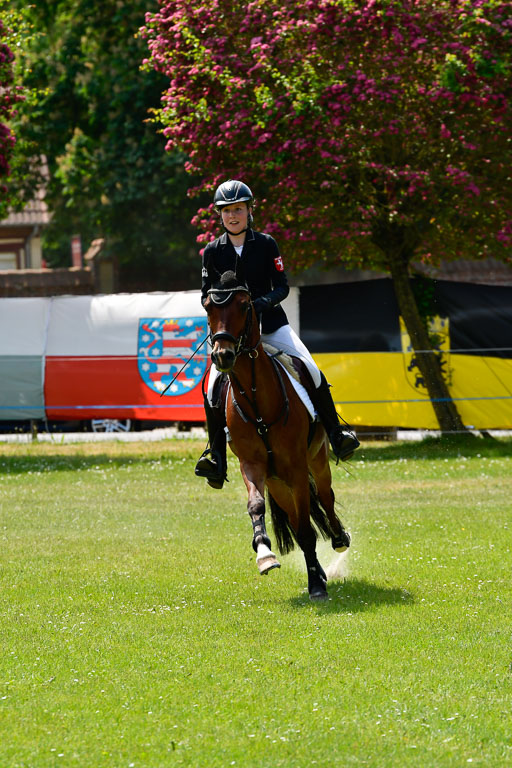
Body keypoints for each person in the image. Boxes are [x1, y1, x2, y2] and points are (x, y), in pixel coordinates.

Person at [195, 179, 360, 489]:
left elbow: (282, 286)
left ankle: (337, 433)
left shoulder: (267, 244)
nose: (233, 216)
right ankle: (215, 454)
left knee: (311, 369)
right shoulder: (212, 252)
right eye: (227, 211)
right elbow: (206, 295)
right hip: (232, 334)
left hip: (270, 326)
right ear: (220, 215)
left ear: (249, 211)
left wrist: (258, 305)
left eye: (239, 210)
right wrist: (220, 313)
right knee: (211, 386)